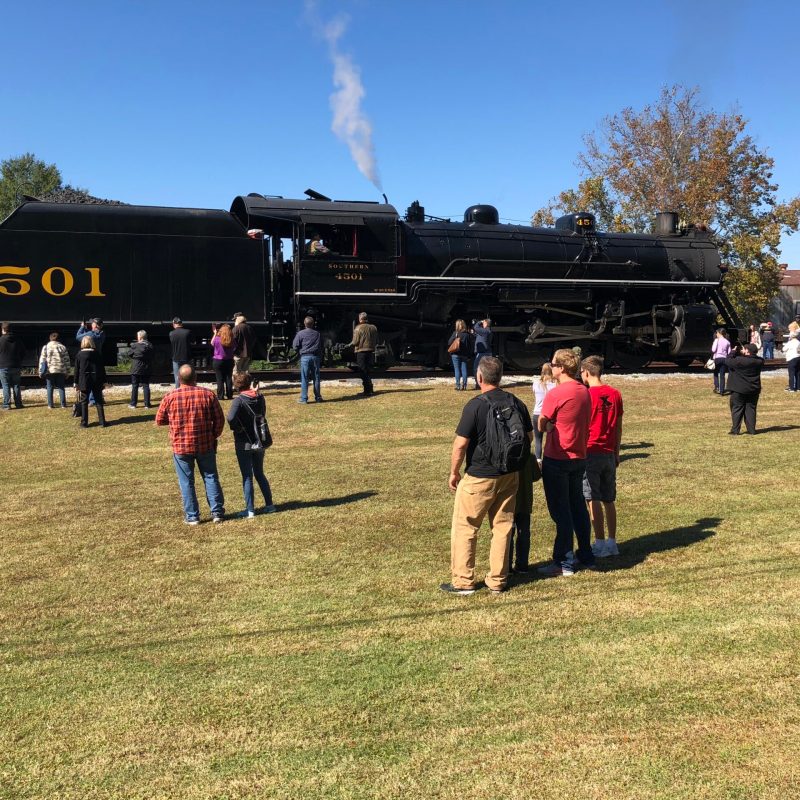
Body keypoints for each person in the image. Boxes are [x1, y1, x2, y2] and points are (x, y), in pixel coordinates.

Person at [441, 356, 533, 595]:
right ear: (500, 377)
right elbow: (529, 438)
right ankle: (498, 580)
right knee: (503, 527)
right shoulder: (517, 402)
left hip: (479, 476)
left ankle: (463, 581)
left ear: (479, 377)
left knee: (466, 527)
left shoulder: (476, 405)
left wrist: (453, 472)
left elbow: (460, 444)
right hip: (509, 475)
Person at [537, 348, 593, 577]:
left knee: (561, 512)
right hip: (579, 456)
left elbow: (542, 423)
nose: (550, 368)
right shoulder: (584, 391)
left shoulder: (556, 394)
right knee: (578, 506)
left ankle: (564, 561)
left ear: (560, 368)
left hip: (557, 457)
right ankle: (586, 554)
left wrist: (549, 425)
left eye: (553, 364)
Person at [155, 363, 225, 524]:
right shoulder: (208, 395)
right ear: (196, 378)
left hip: (181, 446)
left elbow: (159, 419)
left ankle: (193, 516)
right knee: (211, 477)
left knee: (186, 482)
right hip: (205, 444)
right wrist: (213, 435)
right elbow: (219, 420)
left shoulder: (170, 397)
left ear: (179, 379)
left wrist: (173, 421)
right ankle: (217, 513)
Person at [580, 356, 624, 558]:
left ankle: (598, 542)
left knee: (592, 498)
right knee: (609, 499)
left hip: (591, 450)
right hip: (608, 451)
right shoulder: (615, 394)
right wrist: (616, 451)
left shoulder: (587, 395)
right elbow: (618, 426)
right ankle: (612, 542)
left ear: (587, 373)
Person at [226, 372, 277, 517]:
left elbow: (230, 418)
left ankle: (250, 510)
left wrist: (237, 427)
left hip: (244, 442)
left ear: (236, 386)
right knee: (260, 473)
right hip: (260, 440)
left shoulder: (239, 401)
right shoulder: (260, 398)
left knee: (247, 476)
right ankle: (269, 505)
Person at [725, 343, 764, 435]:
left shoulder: (739, 361)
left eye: (744, 349)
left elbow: (728, 361)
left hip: (739, 389)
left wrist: (733, 351)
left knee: (737, 409)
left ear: (747, 351)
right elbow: (755, 358)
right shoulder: (759, 361)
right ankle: (751, 430)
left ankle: (735, 430)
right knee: (751, 409)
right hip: (753, 389)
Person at [508, 450, 536, 574]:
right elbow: (536, 475)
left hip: (509, 503)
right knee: (524, 533)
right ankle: (522, 564)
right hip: (525, 501)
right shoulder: (529, 456)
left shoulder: (506, 456)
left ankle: (506, 565)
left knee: (507, 533)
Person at [73, 336, 107, 428]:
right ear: (92, 342)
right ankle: (102, 422)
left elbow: (76, 370)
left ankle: (84, 423)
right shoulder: (97, 353)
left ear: (83, 343)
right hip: (96, 380)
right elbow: (102, 369)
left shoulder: (79, 354)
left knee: (84, 401)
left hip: (84, 380)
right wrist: (104, 381)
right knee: (99, 401)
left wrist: (75, 382)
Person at [292, 316, 324, 403]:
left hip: (305, 357)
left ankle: (304, 398)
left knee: (304, 378)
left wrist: (300, 350)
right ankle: (318, 397)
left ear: (304, 324)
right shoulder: (317, 334)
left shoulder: (300, 333)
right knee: (316, 378)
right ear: (313, 324)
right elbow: (321, 345)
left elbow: (295, 346)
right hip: (315, 357)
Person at [75, 318, 104, 405]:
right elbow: (90, 334)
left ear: (95, 325)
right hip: (97, 357)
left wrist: (82, 327)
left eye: (93, 323)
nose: (91, 324)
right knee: (95, 378)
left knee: (87, 378)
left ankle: (88, 399)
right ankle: (93, 399)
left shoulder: (91, 334)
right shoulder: (102, 334)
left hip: (87, 358)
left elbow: (78, 337)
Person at [532, 362, 556, 460]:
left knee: (538, 439)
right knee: (551, 439)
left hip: (537, 413)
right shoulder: (555, 384)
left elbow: (535, 394)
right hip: (550, 414)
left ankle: (538, 460)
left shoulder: (536, 383)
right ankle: (550, 459)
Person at [40, 332, 70, 409]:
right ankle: (63, 404)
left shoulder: (46, 347)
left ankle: (50, 405)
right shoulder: (62, 347)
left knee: (49, 387)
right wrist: (68, 371)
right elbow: (67, 360)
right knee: (61, 387)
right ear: (58, 339)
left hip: (49, 370)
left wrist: (40, 371)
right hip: (61, 370)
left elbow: (42, 360)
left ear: (50, 338)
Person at [351, 312, 378, 396]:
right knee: (368, 370)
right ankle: (370, 389)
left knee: (363, 371)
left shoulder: (358, 328)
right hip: (371, 351)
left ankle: (367, 390)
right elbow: (377, 340)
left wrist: (349, 345)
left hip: (361, 351)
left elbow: (355, 342)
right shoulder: (374, 327)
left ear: (360, 319)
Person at [0, 322, 25, 410]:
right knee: (16, 385)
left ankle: (7, 405)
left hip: (3, 366)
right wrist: (19, 361)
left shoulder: (1, 340)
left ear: (3, 329)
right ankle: (18, 404)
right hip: (16, 366)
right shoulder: (18, 340)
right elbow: (23, 352)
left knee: (6, 386)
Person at [129, 330, 154, 409]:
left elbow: (129, 354)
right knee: (146, 385)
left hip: (136, 368)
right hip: (146, 368)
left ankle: (133, 404)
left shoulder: (135, 345)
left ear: (140, 337)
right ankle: (147, 404)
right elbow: (153, 355)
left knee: (135, 386)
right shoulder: (150, 345)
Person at [211, 323, 235, 400]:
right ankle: (229, 395)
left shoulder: (217, 339)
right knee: (228, 378)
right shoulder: (232, 340)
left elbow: (212, 343)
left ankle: (220, 396)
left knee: (219, 379)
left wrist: (214, 333)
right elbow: (235, 348)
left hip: (218, 361)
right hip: (229, 360)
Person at [447, 319, 471, 390]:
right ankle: (464, 385)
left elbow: (449, 342)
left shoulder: (456, 333)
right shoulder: (467, 334)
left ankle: (458, 386)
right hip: (464, 355)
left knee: (457, 369)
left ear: (457, 325)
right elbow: (469, 346)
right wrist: (469, 355)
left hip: (456, 354)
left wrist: (455, 337)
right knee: (464, 369)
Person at [169, 317, 194, 389]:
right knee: (189, 377)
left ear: (174, 324)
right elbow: (193, 342)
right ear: (181, 324)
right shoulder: (188, 332)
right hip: (187, 358)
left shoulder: (171, 333)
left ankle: (178, 392)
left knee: (177, 378)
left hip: (176, 358)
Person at [472, 318, 493, 389]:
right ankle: (484, 383)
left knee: (476, 368)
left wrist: (479, 321)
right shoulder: (487, 331)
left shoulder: (485, 331)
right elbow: (479, 335)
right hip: (486, 352)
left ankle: (478, 384)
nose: (482, 324)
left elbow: (475, 327)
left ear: (486, 324)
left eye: (483, 323)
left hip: (482, 353)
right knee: (485, 369)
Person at [711, 329, 731, 394]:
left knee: (715, 372)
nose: (716, 334)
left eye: (717, 333)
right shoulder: (727, 342)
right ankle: (722, 390)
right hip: (724, 359)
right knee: (722, 374)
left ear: (720, 333)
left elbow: (713, 350)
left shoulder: (717, 340)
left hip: (717, 358)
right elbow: (729, 352)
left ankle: (717, 387)